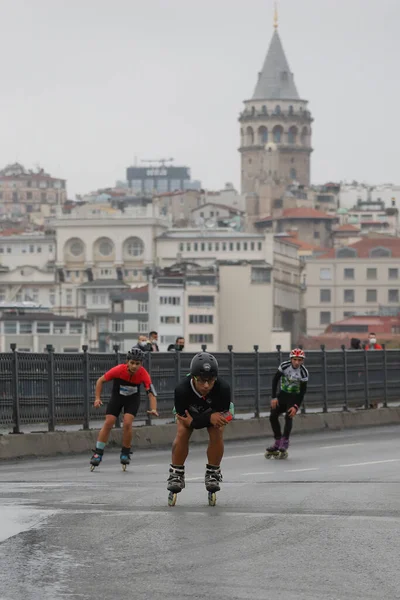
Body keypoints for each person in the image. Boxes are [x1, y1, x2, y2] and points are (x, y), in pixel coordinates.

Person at [167, 352, 233, 497]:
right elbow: (185, 419)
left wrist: (206, 419)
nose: (206, 385)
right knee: (183, 431)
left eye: (211, 380)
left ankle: (213, 472)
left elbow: (224, 416)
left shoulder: (223, 388)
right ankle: (176, 473)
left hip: (215, 411)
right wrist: (204, 419)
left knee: (217, 430)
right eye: (201, 380)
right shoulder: (181, 390)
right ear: (193, 377)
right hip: (190, 411)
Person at [90, 347, 158, 469]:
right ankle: (98, 453)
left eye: (137, 364)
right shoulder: (118, 370)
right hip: (117, 397)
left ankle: (125, 453)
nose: (134, 366)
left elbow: (151, 392)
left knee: (127, 423)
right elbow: (100, 381)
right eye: (132, 363)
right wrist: (97, 398)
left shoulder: (143, 374)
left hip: (132, 400)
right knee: (109, 422)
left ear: (141, 364)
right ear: (127, 362)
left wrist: (153, 408)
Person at [265, 348, 309, 458]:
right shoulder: (284, 366)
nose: (297, 362)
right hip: (283, 395)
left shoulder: (303, 372)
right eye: (295, 359)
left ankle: (285, 441)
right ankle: (277, 441)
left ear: (302, 361)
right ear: (291, 359)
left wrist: (296, 406)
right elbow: (275, 380)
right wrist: (274, 397)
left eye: (299, 360)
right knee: (273, 416)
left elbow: (302, 392)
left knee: (288, 416)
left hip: (294, 397)